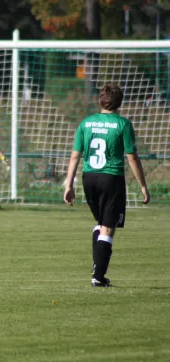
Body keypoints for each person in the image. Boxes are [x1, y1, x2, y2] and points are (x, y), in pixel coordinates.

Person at [63, 83, 150, 287]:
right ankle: (98, 277)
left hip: (89, 177)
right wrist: (143, 187)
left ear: (100, 100)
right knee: (108, 229)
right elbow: (132, 158)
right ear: (120, 102)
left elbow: (75, 156)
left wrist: (68, 185)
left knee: (102, 223)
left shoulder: (86, 123)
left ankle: (97, 269)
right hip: (111, 178)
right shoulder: (123, 124)